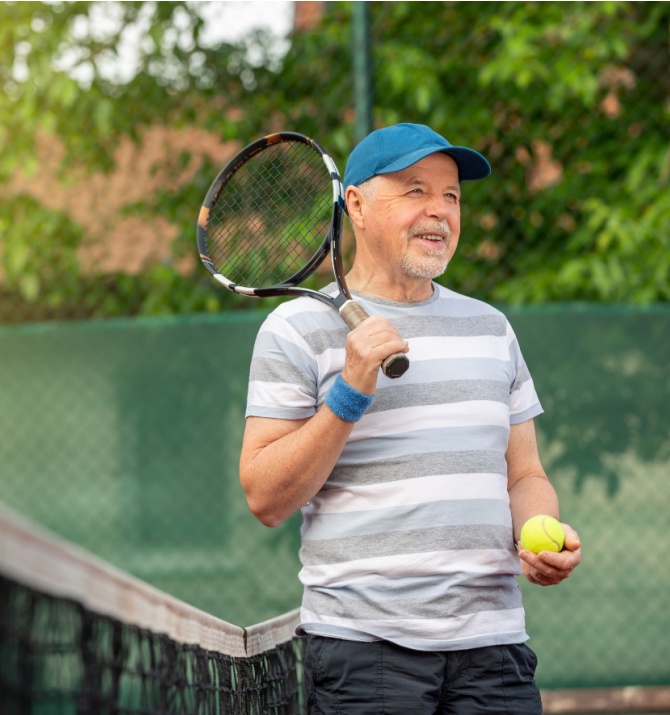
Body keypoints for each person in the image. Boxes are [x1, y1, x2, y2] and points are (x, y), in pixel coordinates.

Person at [240, 123, 581, 714]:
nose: (439, 211)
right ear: (357, 204)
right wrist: (350, 391)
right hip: (365, 654)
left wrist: (537, 535)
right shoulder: (294, 329)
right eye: (415, 190)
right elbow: (265, 497)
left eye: (451, 196)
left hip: (495, 650)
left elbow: (524, 474)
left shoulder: (492, 328)